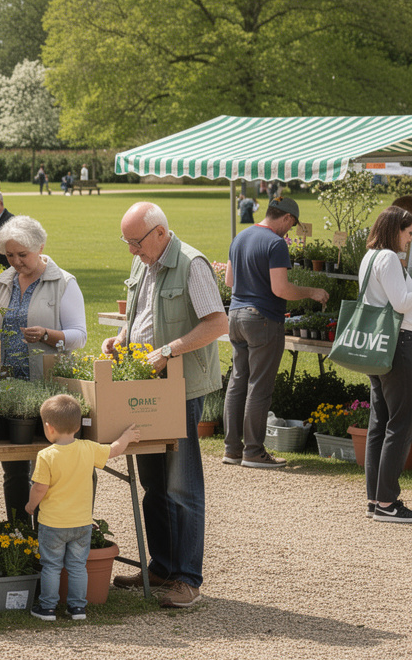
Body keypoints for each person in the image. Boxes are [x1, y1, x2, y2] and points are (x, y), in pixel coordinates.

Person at [104, 202, 226, 609]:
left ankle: (187, 579)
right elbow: (139, 315)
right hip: (145, 385)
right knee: (153, 482)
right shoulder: (145, 262)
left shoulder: (192, 265)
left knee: (182, 485)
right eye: (127, 243)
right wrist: (121, 340)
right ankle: (161, 566)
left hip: (183, 387)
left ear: (159, 233)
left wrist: (168, 351)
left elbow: (217, 324)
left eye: (136, 242)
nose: (131, 251)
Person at [0, 215, 87, 521]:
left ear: (40, 247)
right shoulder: (3, 281)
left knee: (51, 467)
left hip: (47, 388)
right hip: (8, 387)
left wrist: (50, 335)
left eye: (23, 255)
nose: (16, 262)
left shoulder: (63, 283)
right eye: (9, 255)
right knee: (14, 468)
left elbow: (79, 336)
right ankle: (19, 534)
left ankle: (54, 533)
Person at [222, 198, 327, 469]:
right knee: (259, 387)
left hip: (235, 315)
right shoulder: (276, 243)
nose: (290, 231)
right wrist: (312, 292)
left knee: (237, 383)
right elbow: (281, 289)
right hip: (263, 319)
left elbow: (229, 281)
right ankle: (254, 452)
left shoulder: (240, 237)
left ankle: (232, 450)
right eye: (291, 224)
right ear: (286, 217)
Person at [25, 395, 140, 621]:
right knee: (78, 566)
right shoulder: (88, 448)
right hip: (81, 523)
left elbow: (40, 488)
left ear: (48, 428)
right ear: (78, 426)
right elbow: (115, 450)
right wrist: (126, 436)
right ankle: (77, 608)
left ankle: (47, 608)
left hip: (53, 524)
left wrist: (31, 505)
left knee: (51, 566)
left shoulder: (46, 455)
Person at [354, 206, 412, 522]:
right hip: (397, 344)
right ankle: (388, 503)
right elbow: (401, 302)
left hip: (378, 347)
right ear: (396, 230)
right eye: (409, 233)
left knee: (381, 422)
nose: (410, 240)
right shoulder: (388, 258)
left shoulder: (370, 257)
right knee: (401, 422)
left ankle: (376, 499)